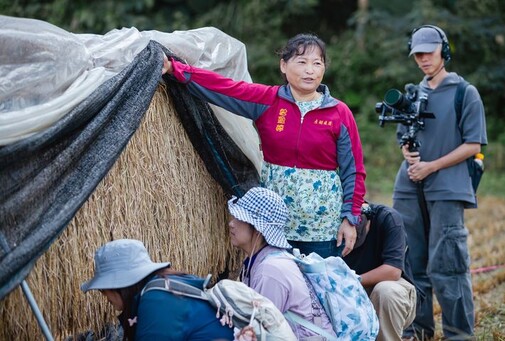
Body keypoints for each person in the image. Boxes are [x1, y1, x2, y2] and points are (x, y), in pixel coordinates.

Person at [163, 33, 366, 258]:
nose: (310, 70)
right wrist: (177, 70)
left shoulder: (339, 113)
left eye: (317, 63)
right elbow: (225, 88)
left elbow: (354, 170)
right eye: (302, 62)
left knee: (319, 287)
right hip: (272, 222)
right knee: (273, 280)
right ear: (283, 65)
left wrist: (350, 218)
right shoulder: (267, 100)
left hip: (321, 226)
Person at [392, 25, 487, 340]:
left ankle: (458, 334)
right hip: (408, 187)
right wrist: (407, 150)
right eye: (417, 54)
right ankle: (418, 329)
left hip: (447, 188)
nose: (423, 59)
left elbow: (473, 145)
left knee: (447, 264)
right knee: (410, 263)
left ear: (443, 52)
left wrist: (432, 166)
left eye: (429, 53)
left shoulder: (464, 92)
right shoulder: (411, 93)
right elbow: (404, 136)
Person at [227, 186, 335, 340]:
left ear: (258, 229)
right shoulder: (265, 258)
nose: (231, 223)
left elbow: (261, 331)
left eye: (240, 218)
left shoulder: (270, 271)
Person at [80, 239, 234, 341]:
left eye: (102, 290)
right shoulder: (165, 287)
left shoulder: (157, 301)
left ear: (118, 285)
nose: (104, 297)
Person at [343, 202, 417, 341]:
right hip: (345, 297)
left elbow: (393, 271)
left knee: (386, 291)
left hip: (382, 294)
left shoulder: (388, 218)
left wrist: (348, 283)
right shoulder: (323, 224)